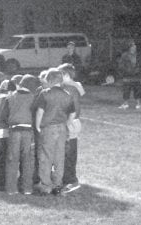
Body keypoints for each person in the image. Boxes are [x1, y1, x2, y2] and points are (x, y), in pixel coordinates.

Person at [35, 68, 76, 195]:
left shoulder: (45, 93)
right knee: (59, 157)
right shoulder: (67, 95)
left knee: (46, 157)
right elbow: (73, 113)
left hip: (48, 128)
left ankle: (46, 185)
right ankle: (58, 184)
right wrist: (66, 124)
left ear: (50, 80)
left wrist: (37, 126)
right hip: (62, 127)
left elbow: (40, 112)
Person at [0, 75, 40, 195]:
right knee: (28, 160)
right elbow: (36, 115)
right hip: (28, 132)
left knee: (12, 160)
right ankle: (27, 188)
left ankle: (11, 188)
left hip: (14, 131)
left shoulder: (9, 97)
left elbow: (1, 117)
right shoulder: (34, 98)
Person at [57, 63, 85, 194]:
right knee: (67, 150)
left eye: (60, 74)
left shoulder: (70, 88)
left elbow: (74, 108)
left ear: (66, 75)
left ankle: (71, 179)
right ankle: (67, 177)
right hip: (73, 121)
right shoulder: (74, 86)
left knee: (69, 151)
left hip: (70, 122)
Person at [118, 40, 141, 109]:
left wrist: (138, 70)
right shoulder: (124, 55)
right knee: (126, 90)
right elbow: (121, 65)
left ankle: (138, 104)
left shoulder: (138, 55)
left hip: (136, 76)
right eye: (133, 45)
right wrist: (126, 71)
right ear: (129, 47)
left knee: (137, 90)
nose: (135, 46)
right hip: (127, 76)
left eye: (135, 45)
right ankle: (125, 104)